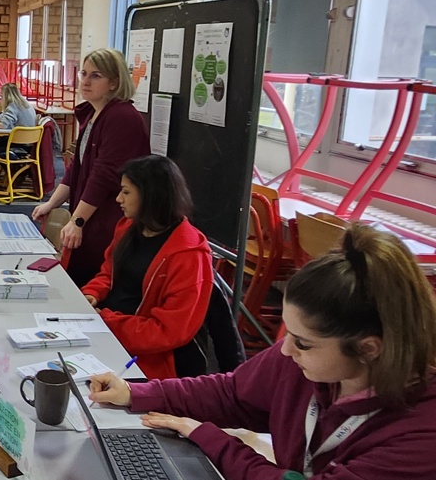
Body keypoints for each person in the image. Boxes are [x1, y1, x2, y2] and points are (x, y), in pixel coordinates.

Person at [89, 224, 436, 480]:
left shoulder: (421, 433)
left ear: (368, 349)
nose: (284, 351)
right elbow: (232, 393)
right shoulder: (309, 363)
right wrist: (136, 392)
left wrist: (214, 440)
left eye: (302, 342)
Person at [80, 155, 212, 379]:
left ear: (151, 196)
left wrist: (107, 322)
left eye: (126, 192)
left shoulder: (189, 254)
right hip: (109, 329)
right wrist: (92, 293)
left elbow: (168, 331)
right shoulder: (129, 227)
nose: (118, 199)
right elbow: (109, 272)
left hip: (147, 356)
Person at [32, 48, 150, 286]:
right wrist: (51, 203)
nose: (85, 81)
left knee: (96, 280)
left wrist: (77, 221)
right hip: (92, 215)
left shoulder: (121, 117)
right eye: (83, 74)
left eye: (96, 76)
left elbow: (103, 176)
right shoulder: (95, 113)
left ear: (114, 83)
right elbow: (77, 166)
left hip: (110, 218)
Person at [0, 83, 36, 157]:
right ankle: (13, 165)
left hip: (21, 142)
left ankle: (11, 165)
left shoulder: (14, 105)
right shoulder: (24, 103)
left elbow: (4, 124)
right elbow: (1, 118)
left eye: (1, 95)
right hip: (30, 140)